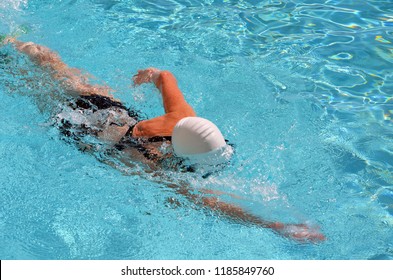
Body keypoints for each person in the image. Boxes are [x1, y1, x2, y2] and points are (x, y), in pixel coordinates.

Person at [3, 37, 325, 242]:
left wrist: (150, 74)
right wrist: (276, 227)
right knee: (31, 89)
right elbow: (220, 204)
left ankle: (14, 40)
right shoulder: (159, 169)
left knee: (50, 64)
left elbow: (166, 77)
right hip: (82, 125)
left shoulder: (183, 117)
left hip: (111, 108)